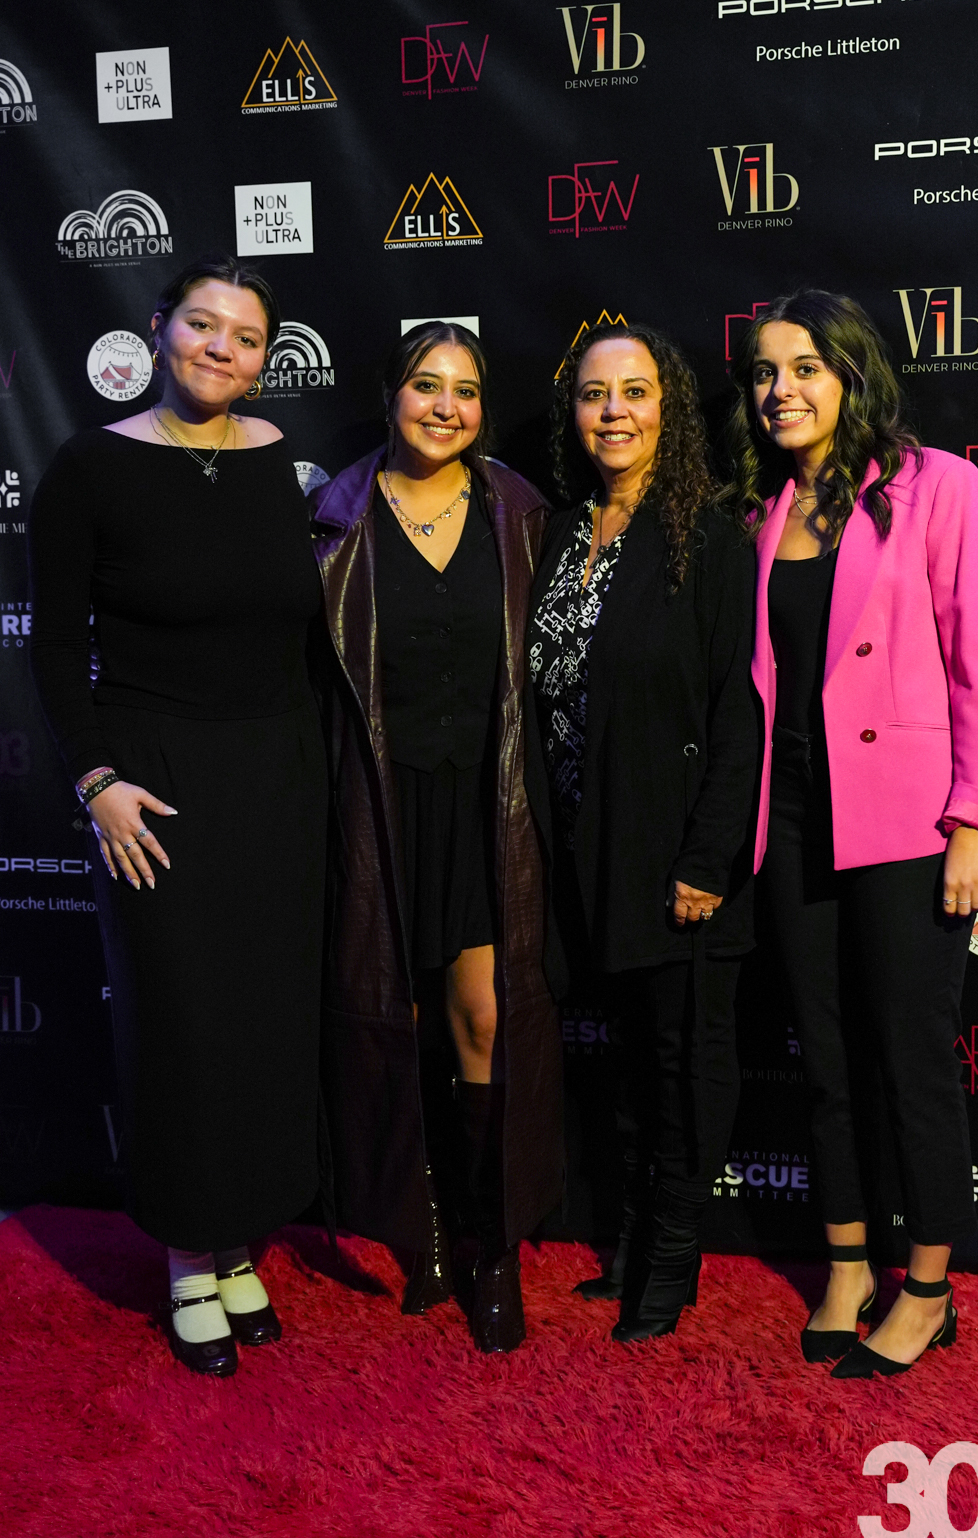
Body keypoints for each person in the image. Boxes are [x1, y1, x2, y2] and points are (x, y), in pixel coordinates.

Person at [718, 289, 978, 1377]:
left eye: (803, 367)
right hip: (793, 815)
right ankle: (846, 1264)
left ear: (851, 374)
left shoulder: (936, 484)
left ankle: (928, 1287)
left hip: (907, 817)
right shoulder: (761, 508)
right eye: (763, 372)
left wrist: (973, 817)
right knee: (825, 1054)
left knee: (910, 1056)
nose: (779, 390)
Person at [28, 256, 328, 1377]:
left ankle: (239, 1237)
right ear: (159, 329)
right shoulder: (90, 466)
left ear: (266, 359)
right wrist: (96, 781)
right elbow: (54, 646)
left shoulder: (282, 465)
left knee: (262, 1019)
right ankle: (187, 1258)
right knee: (182, 1020)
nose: (221, 349)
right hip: (152, 787)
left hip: (278, 780)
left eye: (245, 338)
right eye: (202, 325)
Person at [308, 322, 562, 1354]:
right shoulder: (334, 518)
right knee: (390, 1018)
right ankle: (425, 1237)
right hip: (373, 805)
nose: (444, 407)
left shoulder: (519, 512)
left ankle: (490, 1246)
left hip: (486, 806)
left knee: (483, 1022)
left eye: (464, 390)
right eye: (425, 385)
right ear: (390, 395)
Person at [525, 323, 760, 1343]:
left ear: (669, 407)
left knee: (680, 1065)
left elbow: (738, 712)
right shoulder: (561, 531)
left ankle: (671, 1257)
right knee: (627, 1063)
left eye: (634, 391)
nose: (612, 411)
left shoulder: (708, 535)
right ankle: (629, 1241)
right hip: (589, 847)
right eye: (592, 394)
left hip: (676, 857)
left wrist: (707, 858)